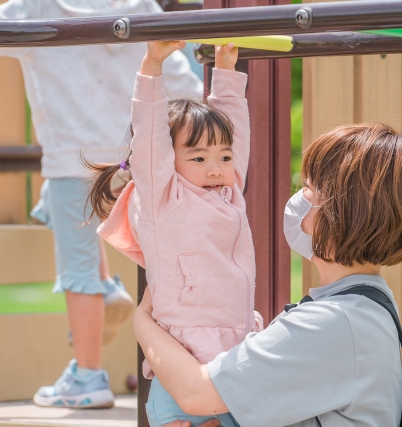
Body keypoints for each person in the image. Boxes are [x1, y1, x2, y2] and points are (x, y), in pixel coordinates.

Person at [0, 0, 203, 409]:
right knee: (146, 250)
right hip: (132, 159)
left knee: (76, 270)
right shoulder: (139, 5)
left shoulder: (38, 8)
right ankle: (110, 290)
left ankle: (88, 374)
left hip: (73, 163)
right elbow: (181, 78)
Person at [133, 123, 402, 426]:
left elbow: (196, 393)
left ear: (341, 215)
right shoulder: (368, 304)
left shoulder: (331, 323)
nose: (298, 197)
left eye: (308, 187)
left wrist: (144, 319)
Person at [87, 41, 262, 426]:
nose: (217, 168)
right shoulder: (164, 201)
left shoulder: (229, 193)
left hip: (234, 363)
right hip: (182, 364)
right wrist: (152, 64)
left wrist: (227, 69)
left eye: (225, 157)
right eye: (198, 158)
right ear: (169, 163)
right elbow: (149, 137)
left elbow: (234, 131)